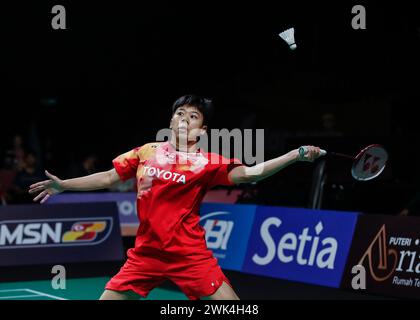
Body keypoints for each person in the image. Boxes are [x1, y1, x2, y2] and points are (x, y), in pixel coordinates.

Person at [29, 94, 322, 300]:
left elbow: (251, 174)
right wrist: (64, 185)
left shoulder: (209, 162)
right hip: (146, 254)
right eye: (180, 113)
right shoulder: (147, 151)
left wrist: (294, 155)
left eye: (193, 116)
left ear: (202, 130)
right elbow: (108, 177)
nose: (185, 119)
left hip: (190, 255)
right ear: (170, 120)